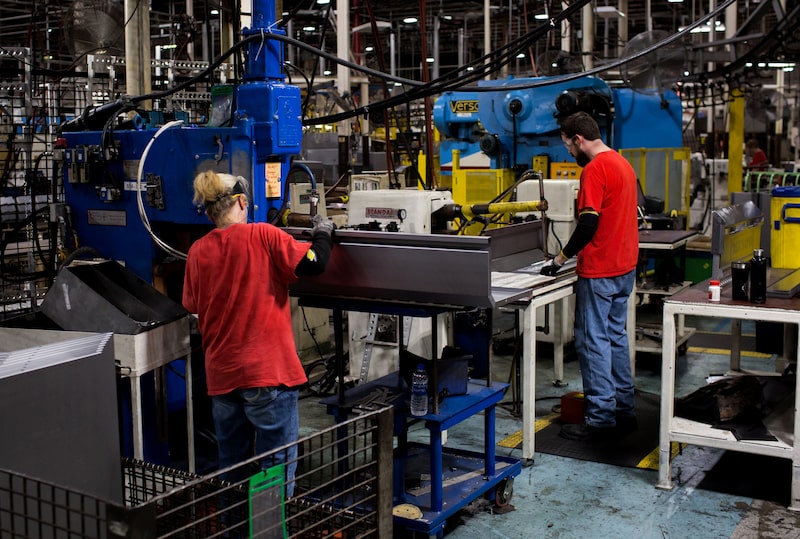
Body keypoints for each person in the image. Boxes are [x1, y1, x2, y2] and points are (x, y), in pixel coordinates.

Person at [182, 170, 334, 489]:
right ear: (241, 201)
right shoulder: (263, 236)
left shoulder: (197, 251)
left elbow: (192, 304)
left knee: (232, 466)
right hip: (266, 375)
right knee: (274, 466)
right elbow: (314, 263)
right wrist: (323, 233)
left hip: (222, 377)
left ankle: (234, 529)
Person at [540, 111, 639, 441]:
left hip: (601, 270)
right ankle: (624, 409)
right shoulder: (622, 163)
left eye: (568, 146)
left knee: (592, 342)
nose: (569, 152)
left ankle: (599, 420)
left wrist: (559, 258)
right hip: (625, 266)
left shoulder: (595, 169)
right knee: (615, 338)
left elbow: (588, 224)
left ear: (578, 140)